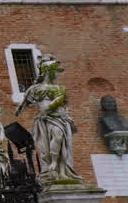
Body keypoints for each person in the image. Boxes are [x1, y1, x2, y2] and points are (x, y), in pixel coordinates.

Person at [16, 55, 82, 184]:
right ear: (48, 71)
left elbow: (61, 102)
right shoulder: (35, 89)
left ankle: (59, 168)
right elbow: (24, 103)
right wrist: (19, 109)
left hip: (58, 117)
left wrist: (49, 107)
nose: (57, 74)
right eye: (56, 71)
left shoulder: (59, 88)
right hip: (44, 119)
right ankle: (53, 168)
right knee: (46, 144)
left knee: (59, 138)